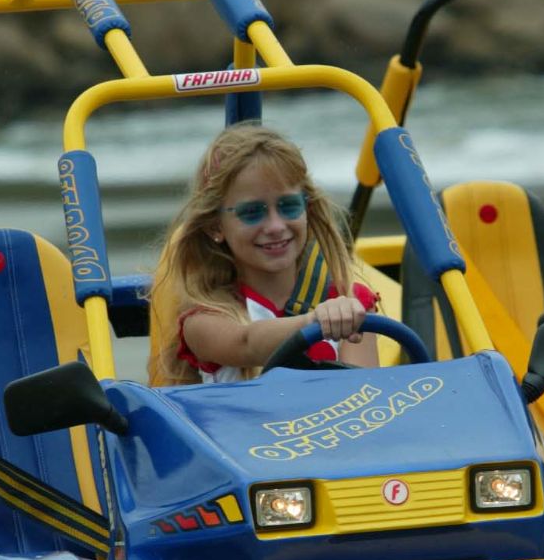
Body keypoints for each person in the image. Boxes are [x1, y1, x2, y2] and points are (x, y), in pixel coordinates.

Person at [149, 123, 379, 386]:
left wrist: (343, 315)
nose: (275, 226)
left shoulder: (350, 302)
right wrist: (315, 322)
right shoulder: (204, 319)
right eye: (252, 212)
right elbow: (247, 344)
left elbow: (365, 396)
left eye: (289, 206)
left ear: (308, 209)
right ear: (215, 226)